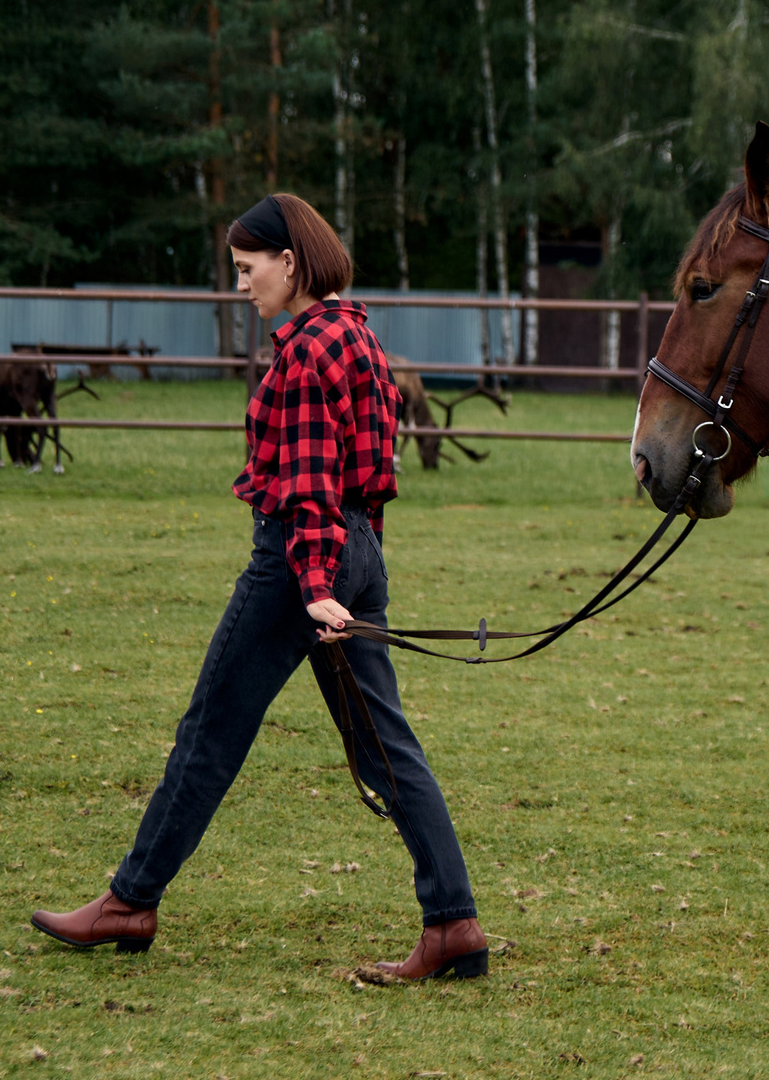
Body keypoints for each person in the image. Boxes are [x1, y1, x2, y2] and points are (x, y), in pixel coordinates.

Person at [30, 194, 487, 982]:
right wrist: (356, 566)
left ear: (290, 261)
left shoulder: (306, 354)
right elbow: (372, 472)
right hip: (360, 550)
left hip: (299, 565)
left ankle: (131, 901)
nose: (241, 286)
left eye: (247, 270)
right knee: (386, 745)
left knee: (210, 733)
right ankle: (454, 923)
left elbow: (307, 487)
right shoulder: (360, 336)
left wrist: (314, 587)